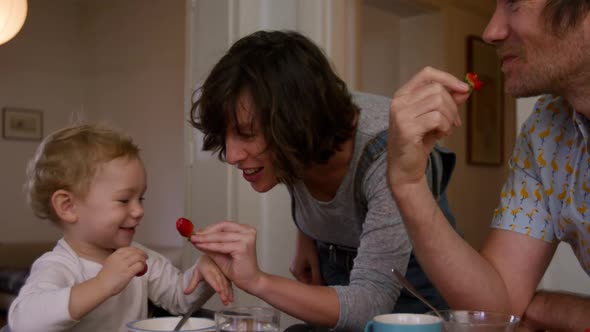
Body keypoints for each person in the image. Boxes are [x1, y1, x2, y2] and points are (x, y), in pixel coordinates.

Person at [188, 30, 459, 332]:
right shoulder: (301, 132)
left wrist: (258, 280)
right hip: (337, 274)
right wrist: (307, 232)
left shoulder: (385, 153)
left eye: (247, 134)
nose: (232, 154)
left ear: (297, 123)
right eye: (226, 135)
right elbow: (293, 158)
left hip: (408, 295)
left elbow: (369, 305)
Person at [386, 1, 590, 330]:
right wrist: (408, 185)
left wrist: (547, 307)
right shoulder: (546, 129)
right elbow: (500, 308)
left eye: (513, 3)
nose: (491, 31)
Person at [8, 124, 233, 332]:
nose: (138, 211)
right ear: (68, 207)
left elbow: (179, 300)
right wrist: (102, 284)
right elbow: (23, 321)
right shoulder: (59, 266)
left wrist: (202, 272)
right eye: (124, 200)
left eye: (141, 198)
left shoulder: (139, 258)